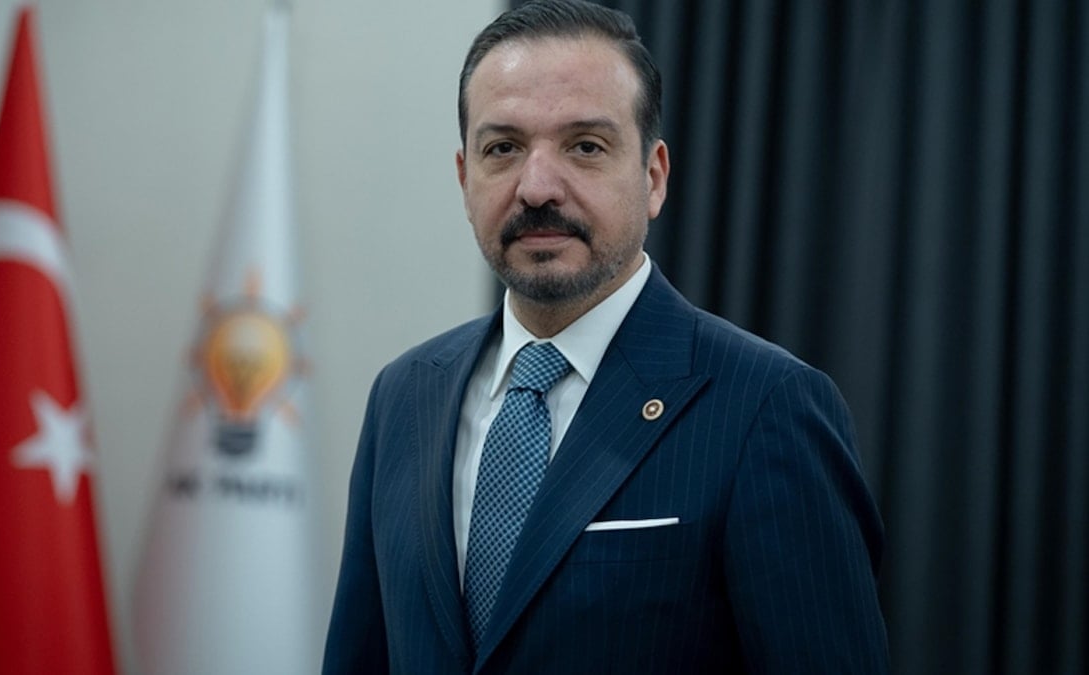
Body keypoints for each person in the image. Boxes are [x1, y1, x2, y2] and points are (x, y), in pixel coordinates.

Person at [323, 1, 889, 672]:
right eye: (503, 148)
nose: (537, 188)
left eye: (585, 146)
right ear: (464, 177)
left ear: (653, 178)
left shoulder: (766, 406)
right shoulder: (403, 397)